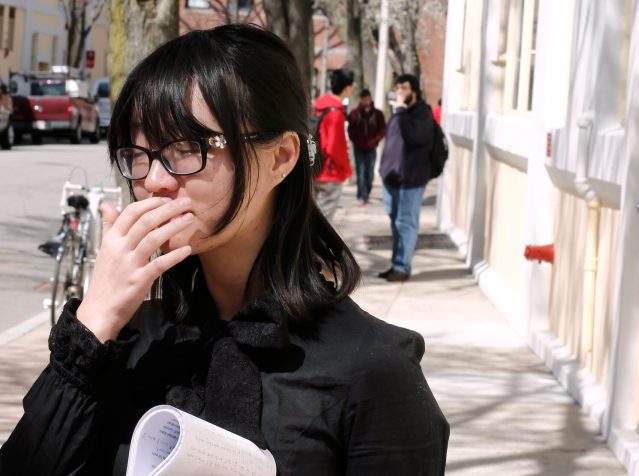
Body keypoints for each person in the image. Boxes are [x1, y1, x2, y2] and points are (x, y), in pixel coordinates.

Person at [0, 25, 449, 475]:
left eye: (185, 148)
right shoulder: (130, 341)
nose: (153, 180)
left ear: (280, 157)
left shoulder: (373, 372)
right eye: (137, 152)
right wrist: (95, 321)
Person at [378, 75, 435, 282]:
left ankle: (402, 267)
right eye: (398, 87)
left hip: (410, 180)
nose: (400, 91)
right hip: (391, 178)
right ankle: (396, 264)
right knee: (395, 222)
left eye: (404, 87)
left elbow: (413, 136)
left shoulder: (422, 113)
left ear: (414, 91)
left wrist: (401, 110)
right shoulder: (399, 113)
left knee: (406, 223)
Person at [313, 68, 354, 220]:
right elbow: (334, 147)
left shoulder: (317, 107)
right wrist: (347, 169)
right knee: (323, 222)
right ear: (347, 88)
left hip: (314, 166)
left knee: (313, 217)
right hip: (330, 173)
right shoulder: (335, 113)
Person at [347, 89, 386, 206]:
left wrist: (375, 141)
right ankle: (361, 195)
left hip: (371, 147)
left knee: (370, 172)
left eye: (367, 99)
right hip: (358, 147)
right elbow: (351, 130)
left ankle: (366, 193)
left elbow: (382, 129)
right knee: (361, 171)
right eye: (363, 99)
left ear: (370, 99)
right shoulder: (355, 113)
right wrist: (356, 141)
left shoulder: (378, 114)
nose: (365, 102)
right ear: (360, 100)